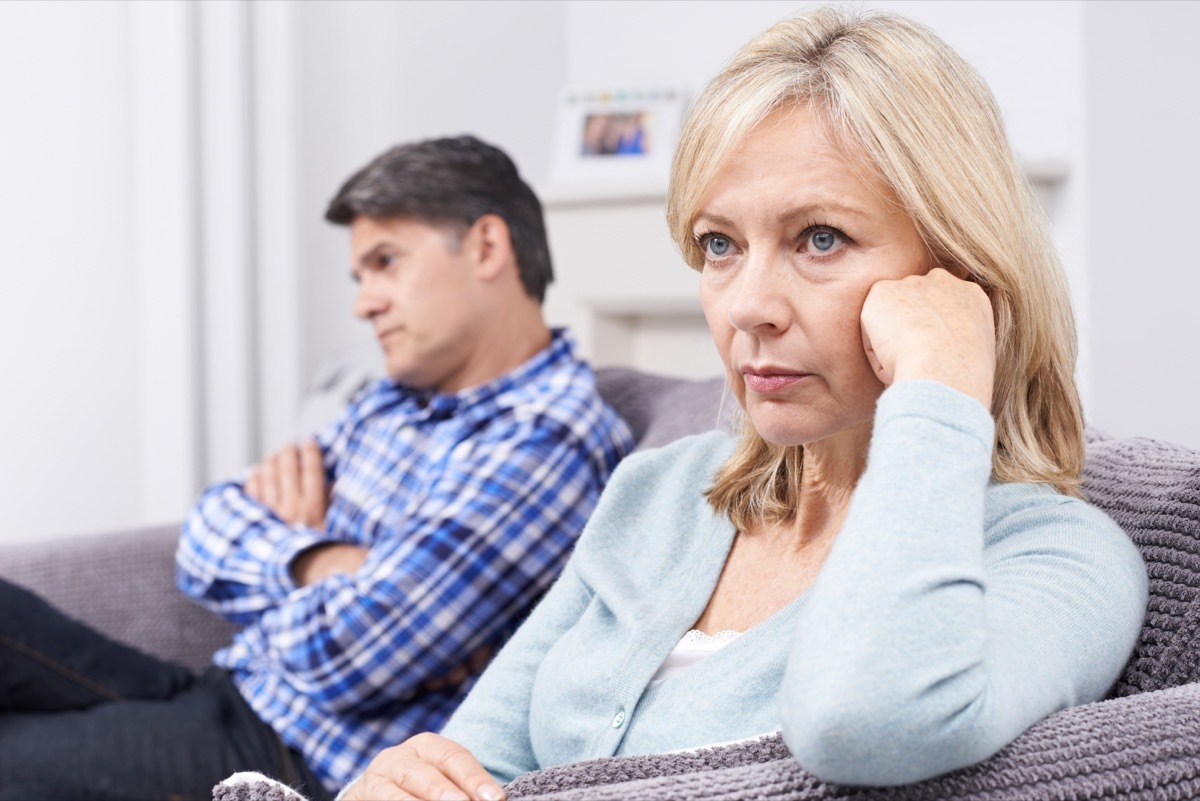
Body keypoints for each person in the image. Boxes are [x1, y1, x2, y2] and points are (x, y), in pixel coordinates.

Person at [339, 8, 1148, 800]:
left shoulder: (1065, 558)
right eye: (719, 244)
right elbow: (466, 765)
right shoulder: (657, 491)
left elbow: (860, 720)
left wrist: (939, 379)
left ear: (958, 273)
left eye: (819, 237)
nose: (746, 305)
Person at [0, 135, 633, 800]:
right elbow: (208, 528)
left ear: (486, 247)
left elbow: (352, 656)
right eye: (361, 277)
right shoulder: (392, 399)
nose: (364, 302)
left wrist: (283, 566)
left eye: (385, 263)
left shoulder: (546, 438)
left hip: (292, 754)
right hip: (230, 688)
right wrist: (322, 561)